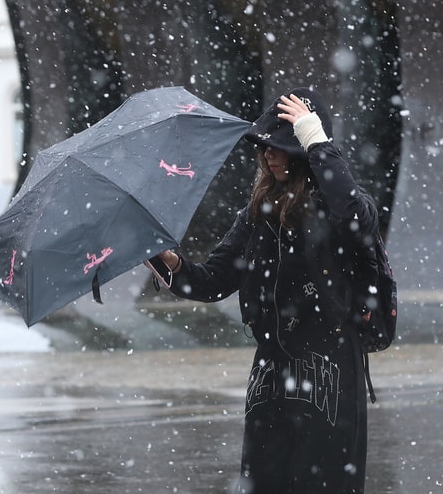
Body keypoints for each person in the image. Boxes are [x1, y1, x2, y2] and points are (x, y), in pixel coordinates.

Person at [153, 87, 378, 493]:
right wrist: (168, 263)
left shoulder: (339, 207)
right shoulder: (258, 212)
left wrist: (315, 140)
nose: (268, 155)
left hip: (329, 374)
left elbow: (354, 216)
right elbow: (211, 280)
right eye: (264, 147)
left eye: (280, 146)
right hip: (271, 374)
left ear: (304, 150)